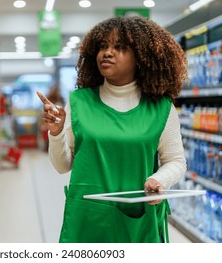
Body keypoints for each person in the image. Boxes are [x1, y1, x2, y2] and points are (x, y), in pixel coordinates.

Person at [36, 15, 188, 243]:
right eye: (103, 46)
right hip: (87, 218)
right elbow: (62, 166)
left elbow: (176, 161)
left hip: (138, 220)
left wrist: (160, 180)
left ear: (141, 57)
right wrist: (56, 133)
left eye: (119, 47)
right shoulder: (79, 102)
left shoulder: (161, 108)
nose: (107, 53)